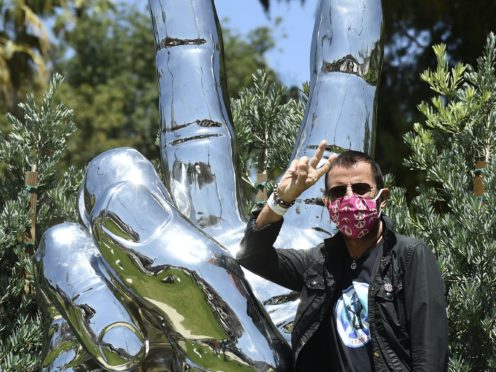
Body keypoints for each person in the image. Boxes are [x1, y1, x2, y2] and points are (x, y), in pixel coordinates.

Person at [237, 140, 448, 371]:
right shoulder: (319, 263)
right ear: (328, 204)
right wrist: (281, 200)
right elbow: (252, 256)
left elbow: (430, 356)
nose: (349, 198)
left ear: (383, 198)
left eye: (360, 189)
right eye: (338, 192)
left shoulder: (409, 256)